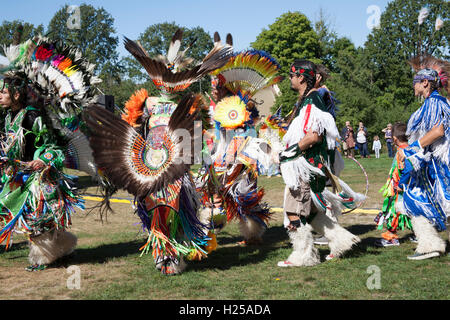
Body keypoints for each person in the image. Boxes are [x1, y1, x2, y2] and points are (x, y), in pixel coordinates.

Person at [277, 59, 364, 267]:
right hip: (311, 165)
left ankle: (304, 255)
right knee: (313, 212)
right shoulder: (309, 99)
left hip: (306, 166)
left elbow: (313, 136)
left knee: (294, 211)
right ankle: (341, 240)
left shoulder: (312, 100)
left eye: (292, 75)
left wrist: (290, 150)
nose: (290, 78)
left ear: (301, 77)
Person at [0, 74, 82, 271]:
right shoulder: (8, 117)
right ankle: (60, 248)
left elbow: (54, 146)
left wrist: (42, 159)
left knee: (39, 219)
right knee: (16, 213)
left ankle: (44, 257)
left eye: (3, 92)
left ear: (17, 94)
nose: (0, 96)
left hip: (39, 176)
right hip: (17, 176)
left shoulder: (32, 116)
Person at [399, 56, 450, 260]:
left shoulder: (435, 103)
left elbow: (438, 130)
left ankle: (431, 245)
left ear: (425, 83)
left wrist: (412, 148)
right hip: (432, 166)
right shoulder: (434, 102)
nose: (413, 86)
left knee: (415, 201)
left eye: (415, 82)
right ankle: (431, 244)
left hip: (438, 167)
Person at [375, 123, 413, 247]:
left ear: (395, 138)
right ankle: (417, 234)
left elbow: (408, 169)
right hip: (406, 188)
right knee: (409, 211)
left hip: (399, 189)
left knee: (394, 210)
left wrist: (401, 184)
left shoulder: (403, 151)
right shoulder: (409, 149)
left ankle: (391, 237)